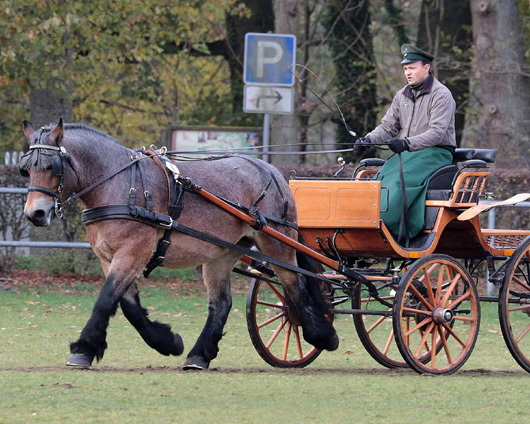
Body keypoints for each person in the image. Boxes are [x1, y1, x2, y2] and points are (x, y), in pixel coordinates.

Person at [354, 43, 456, 240]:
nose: (408, 73)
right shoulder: (402, 95)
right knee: (380, 180)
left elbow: (436, 133)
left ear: (426, 68)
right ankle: (367, 229)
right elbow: (387, 127)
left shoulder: (441, 95)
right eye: (405, 69)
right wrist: (368, 140)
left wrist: (407, 143)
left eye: (412, 68)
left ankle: (395, 231)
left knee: (397, 184)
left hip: (435, 153)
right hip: (408, 154)